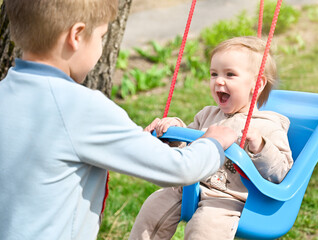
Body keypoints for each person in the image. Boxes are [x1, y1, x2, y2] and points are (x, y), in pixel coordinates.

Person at [0, 1, 239, 240]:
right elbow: (179, 169)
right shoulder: (81, 107)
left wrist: (140, 142)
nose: (101, 46)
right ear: (77, 35)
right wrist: (212, 143)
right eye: (102, 36)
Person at [129, 36, 294, 240]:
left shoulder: (267, 125)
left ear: (257, 84)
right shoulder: (207, 114)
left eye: (230, 74)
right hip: (188, 187)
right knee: (153, 209)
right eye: (214, 74)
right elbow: (186, 147)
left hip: (226, 198)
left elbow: (281, 172)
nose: (219, 81)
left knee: (203, 230)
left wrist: (260, 145)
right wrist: (174, 129)